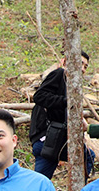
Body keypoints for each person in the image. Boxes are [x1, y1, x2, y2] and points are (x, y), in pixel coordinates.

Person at [31, 50, 94, 181]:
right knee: (39, 182)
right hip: (47, 140)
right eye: (80, 64)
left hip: (56, 140)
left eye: (85, 67)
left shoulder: (69, 84)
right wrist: (68, 102)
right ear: (65, 62)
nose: (82, 69)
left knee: (40, 182)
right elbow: (39, 96)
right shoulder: (60, 74)